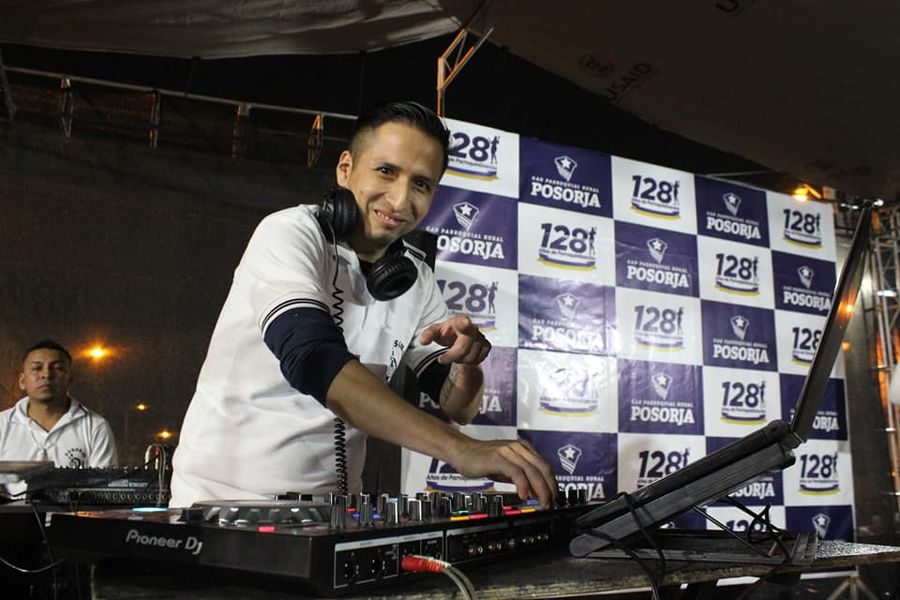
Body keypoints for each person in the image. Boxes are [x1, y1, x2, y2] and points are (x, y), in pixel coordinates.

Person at [170, 101, 557, 507]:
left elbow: (459, 407)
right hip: (221, 502)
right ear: (345, 168)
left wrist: (468, 366)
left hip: (334, 511)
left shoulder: (416, 277)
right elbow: (313, 358)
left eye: (421, 184)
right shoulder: (289, 233)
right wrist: (460, 450)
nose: (400, 199)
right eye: (386, 171)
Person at [0, 339, 118, 469]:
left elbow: (104, 480)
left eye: (57, 368)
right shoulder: (2, 425)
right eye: (37, 368)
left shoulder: (95, 427)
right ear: (22, 381)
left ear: (70, 379)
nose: (47, 374)